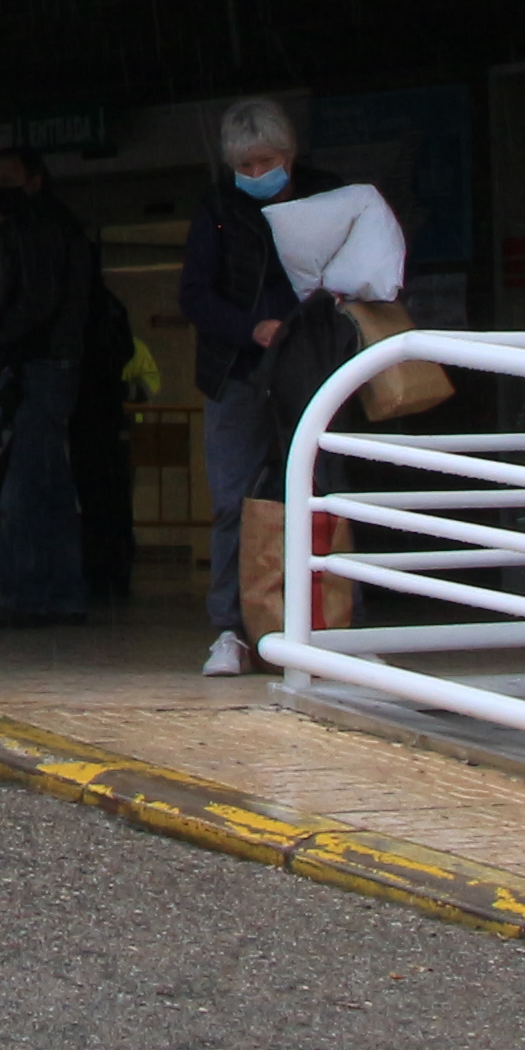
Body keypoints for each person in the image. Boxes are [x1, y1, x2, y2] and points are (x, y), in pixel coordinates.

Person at [178, 98, 339, 676]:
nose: (254, 174)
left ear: (289, 154)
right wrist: (251, 328)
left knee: (323, 496)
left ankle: (331, 622)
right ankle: (231, 629)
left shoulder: (328, 197)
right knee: (233, 502)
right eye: (243, 166)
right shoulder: (217, 207)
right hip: (238, 369)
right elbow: (195, 296)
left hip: (312, 367)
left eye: (265, 162)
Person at [0, 146, 136, 626]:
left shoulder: (36, 228)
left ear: (34, 179)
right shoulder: (52, 226)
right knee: (49, 483)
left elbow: (38, 301)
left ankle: (27, 594)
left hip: (36, 366)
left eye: (7, 178)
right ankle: (58, 593)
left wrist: (3, 342)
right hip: (47, 364)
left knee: (26, 486)